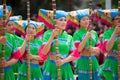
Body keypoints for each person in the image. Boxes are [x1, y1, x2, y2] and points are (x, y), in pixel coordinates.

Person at [41, 10, 79, 80]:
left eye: (65, 20)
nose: (64, 22)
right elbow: (44, 52)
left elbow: (75, 54)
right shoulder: (48, 33)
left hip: (65, 68)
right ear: (55, 22)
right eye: (61, 20)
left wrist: (63, 61)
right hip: (51, 67)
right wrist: (52, 36)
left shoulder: (69, 37)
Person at [73, 11, 101, 80]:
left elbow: (100, 48)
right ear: (79, 22)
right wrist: (86, 37)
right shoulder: (77, 34)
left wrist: (94, 49)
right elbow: (78, 50)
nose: (86, 21)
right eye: (83, 19)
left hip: (94, 61)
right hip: (83, 61)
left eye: (87, 19)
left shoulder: (94, 33)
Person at [0, 6, 23, 80]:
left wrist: (7, 63)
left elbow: (16, 56)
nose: (1, 22)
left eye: (3, 19)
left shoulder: (10, 37)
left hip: (8, 74)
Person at [98, 9, 120, 80]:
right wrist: (115, 33)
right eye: (117, 19)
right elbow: (107, 48)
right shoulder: (107, 33)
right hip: (111, 64)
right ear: (112, 21)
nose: (119, 20)